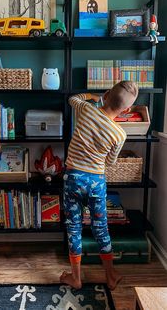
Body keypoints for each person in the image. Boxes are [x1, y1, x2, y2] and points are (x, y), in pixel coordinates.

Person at [60, 81, 139, 290]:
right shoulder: (120, 134)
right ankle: (110, 275)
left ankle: (75, 278)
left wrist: (95, 98)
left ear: (106, 94)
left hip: (73, 178)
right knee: (101, 229)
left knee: (74, 228)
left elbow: (73, 99)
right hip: (96, 182)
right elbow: (110, 162)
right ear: (127, 110)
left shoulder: (86, 109)